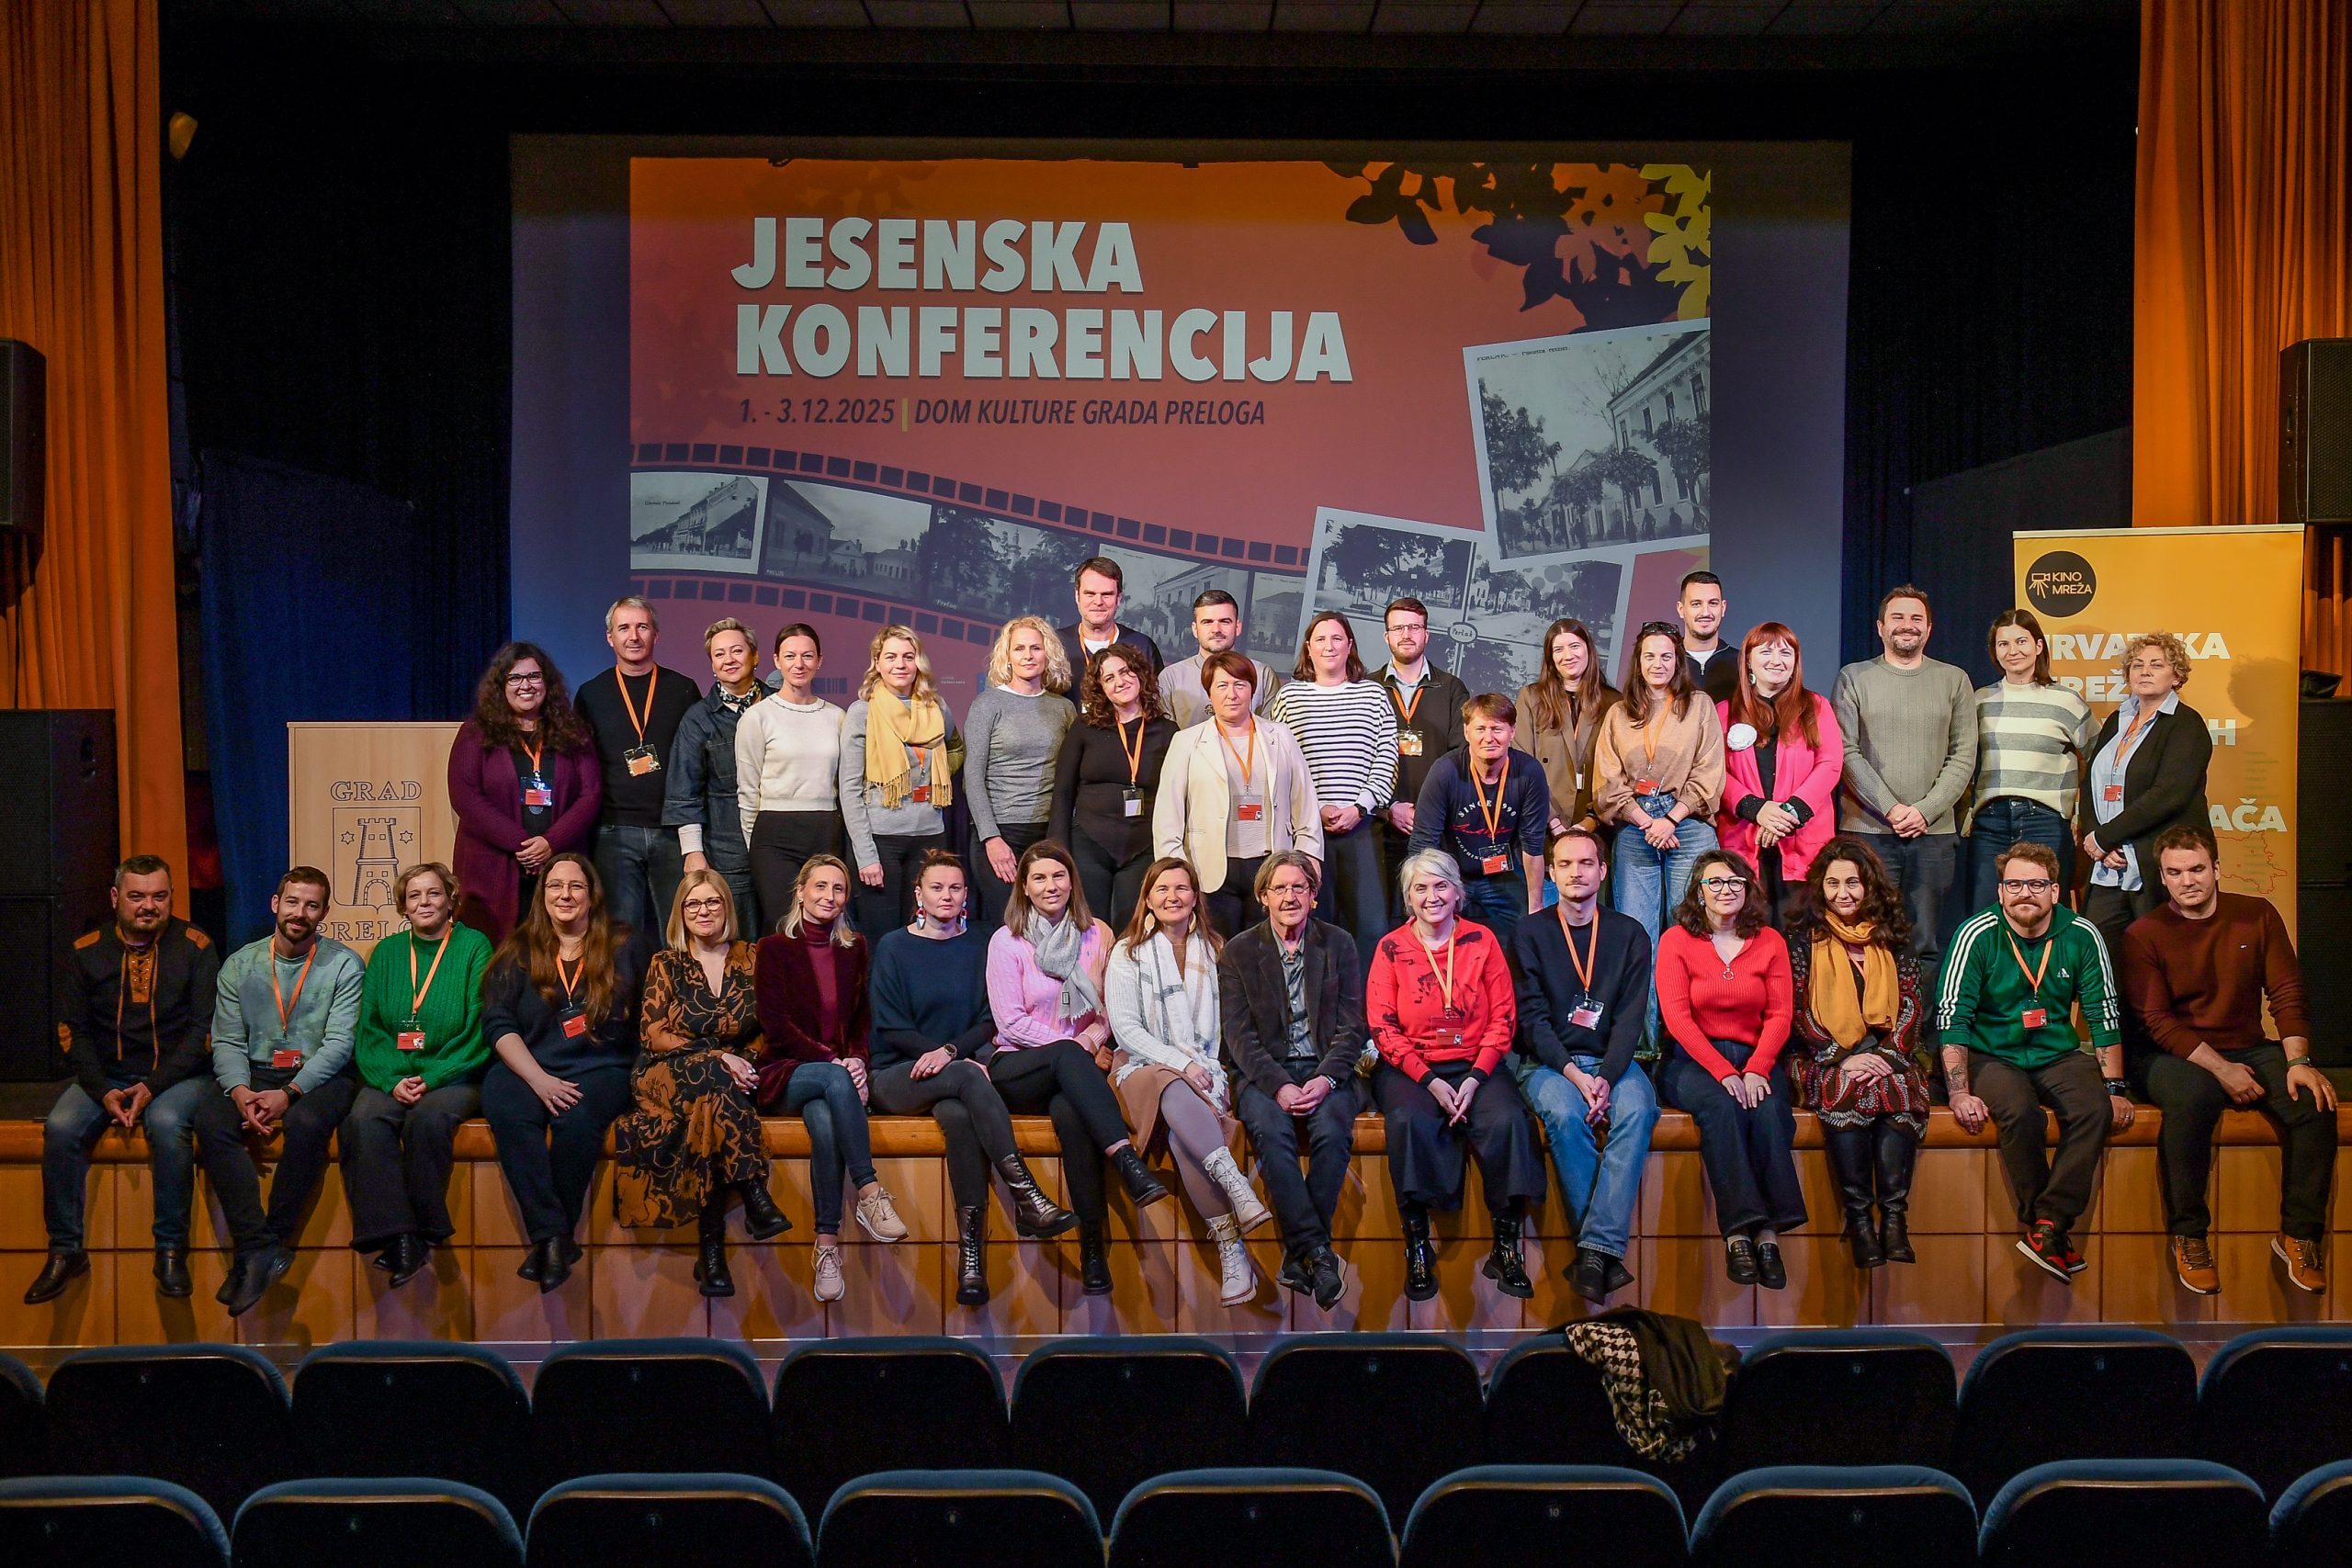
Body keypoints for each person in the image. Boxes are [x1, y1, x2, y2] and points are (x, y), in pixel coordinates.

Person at [2121, 829, 2335, 1296]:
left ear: (2217, 869)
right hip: (2170, 1053)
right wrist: (2223, 1071)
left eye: (2197, 869)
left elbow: (2286, 992)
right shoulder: (2143, 934)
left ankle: (2299, 1236)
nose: (2188, 881)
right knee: (2194, 1098)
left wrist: (2298, 1061)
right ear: (2163, 878)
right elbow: (2157, 1022)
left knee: (2314, 1102)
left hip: (2247, 1045)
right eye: (2175, 872)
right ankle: (2190, 1236)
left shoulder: (2256, 915)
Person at [869, 851, 1074, 1309]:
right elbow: (890, 1025)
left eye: (955, 888)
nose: (947, 895)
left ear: (966, 895)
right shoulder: (893, 947)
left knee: (960, 1120)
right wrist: (946, 1056)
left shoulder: (982, 944)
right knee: (964, 1077)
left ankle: (971, 1258)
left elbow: (988, 1020)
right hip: (898, 1073)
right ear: (919, 894)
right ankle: (1026, 1194)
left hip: (956, 1076)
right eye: (936, 887)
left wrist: (951, 1055)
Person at [26, 856, 219, 1306]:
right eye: (137, 896)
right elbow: (72, 1031)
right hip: (105, 1078)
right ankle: (65, 1250)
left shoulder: (196, 945)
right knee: (60, 1129)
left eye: (159, 896)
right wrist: (103, 1090)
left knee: (167, 1125)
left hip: (178, 1077)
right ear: (116, 898)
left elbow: (204, 1033)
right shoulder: (86, 949)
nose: (148, 905)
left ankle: (170, 1250)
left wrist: (152, 1087)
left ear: (171, 897)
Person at [986, 840, 1172, 1294]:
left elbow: (1111, 1008)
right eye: (1039, 878)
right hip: (1019, 1066)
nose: (1050, 885)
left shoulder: (1097, 934)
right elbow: (1010, 1021)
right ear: (1024, 887)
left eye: (1059, 875)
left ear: (1072, 882)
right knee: (1066, 1058)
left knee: (1073, 1118)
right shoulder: (1007, 941)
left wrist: (1088, 1041)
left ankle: (1093, 1248)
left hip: (1076, 1074)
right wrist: (1077, 1047)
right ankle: (1126, 1160)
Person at [1938, 840, 2129, 1282]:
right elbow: (1952, 1017)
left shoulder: (2082, 933)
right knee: (2021, 1113)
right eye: (2015, 884)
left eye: (2037, 884)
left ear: (2055, 891)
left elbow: (2104, 1014)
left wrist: (2115, 1089)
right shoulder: (1976, 934)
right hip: (1992, 1053)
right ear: (2000, 891)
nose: (2025, 893)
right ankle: (2046, 1226)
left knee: (2094, 1109)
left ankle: (2049, 1224)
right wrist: (1959, 1092)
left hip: (2057, 1052)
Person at [1367, 848, 1545, 1304]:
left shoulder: (1482, 940)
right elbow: (1383, 1028)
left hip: (1476, 1065)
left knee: (1509, 1121)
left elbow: (1504, 1017)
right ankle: (1416, 1245)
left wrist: (1475, 1077)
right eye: (1421, 888)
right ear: (1408, 897)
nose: (1432, 896)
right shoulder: (1390, 948)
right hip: (1412, 1068)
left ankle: (1506, 1247)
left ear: (1458, 892)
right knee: (1408, 1122)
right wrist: (1429, 1080)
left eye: (1441, 885)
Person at [194, 867, 367, 1316]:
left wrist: (290, 1093)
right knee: (210, 1121)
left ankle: (268, 1242)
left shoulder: (345, 964)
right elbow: (228, 1041)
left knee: (307, 1124)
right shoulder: (241, 964)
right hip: (254, 1073)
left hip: (318, 1076)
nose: (299, 913)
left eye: (311, 905)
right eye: (292, 902)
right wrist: (239, 1092)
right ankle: (257, 1248)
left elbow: (339, 1045)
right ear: (276, 904)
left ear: (324, 913)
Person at [480, 852, 655, 1293]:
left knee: (576, 1120)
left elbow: (647, 1018)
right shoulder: (518, 949)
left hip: (600, 1067)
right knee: (506, 1107)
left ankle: (550, 1239)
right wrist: (538, 1080)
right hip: (529, 1065)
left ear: (592, 895)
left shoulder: (626, 944)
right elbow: (498, 1024)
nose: (565, 895)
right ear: (542, 895)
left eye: (575, 886)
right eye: (555, 886)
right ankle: (553, 1236)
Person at [610, 870, 790, 1300]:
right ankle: (753, 1191)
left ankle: (711, 1254)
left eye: (712, 902)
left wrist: (746, 1062)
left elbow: (771, 1025)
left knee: (710, 1107)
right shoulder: (666, 962)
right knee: (713, 1082)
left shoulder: (753, 957)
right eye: (693, 903)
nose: (703, 911)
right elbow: (653, 1033)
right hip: (666, 1071)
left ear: (727, 906)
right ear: (681, 913)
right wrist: (718, 1057)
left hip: (730, 1076)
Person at [1105, 857, 1270, 1305]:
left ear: (1196, 897)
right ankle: (1236, 1185)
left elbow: (1232, 1022)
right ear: (1147, 899)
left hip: (1205, 1065)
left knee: (1184, 1139)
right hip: (1139, 1066)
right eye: (1161, 889)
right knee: (1171, 1082)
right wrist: (1181, 1062)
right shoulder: (1127, 952)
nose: (1172, 897)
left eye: (1181, 888)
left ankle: (1231, 1248)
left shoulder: (1217, 949)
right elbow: (1126, 1029)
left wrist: (1200, 1066)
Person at [1510, 828, 1657, 1304]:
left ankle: (1593, 1253)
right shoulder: (1529, 933)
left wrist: (1606, 1078)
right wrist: (1576, 1076)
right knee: (1564, 1114)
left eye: (1586, 863)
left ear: (1603, 871)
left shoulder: (1629, 933)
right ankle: (1603, 1250)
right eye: (1566, 864)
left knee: (1639, 1111)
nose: (1576, 872)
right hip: (1549, 1065)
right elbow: (1531, 1021)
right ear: (1551, 873)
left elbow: (1631, 1018)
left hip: (1614, 1063)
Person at [753, 855, 909, 1304]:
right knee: (833, 1082)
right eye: (820, 886)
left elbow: (860, 1019)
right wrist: (834, 1062)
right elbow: (776, 1025)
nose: (829, 896)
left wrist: (857, 1060)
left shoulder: (854, 947)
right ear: (801, 892)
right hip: (785, 1072)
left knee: (824, 1124)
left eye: (838, 889)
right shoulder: (773, 948)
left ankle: (826, 1245)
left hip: (834, 1078)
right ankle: (869, 1190)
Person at [1219, 852, 1366, 1311]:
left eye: (1298, 887)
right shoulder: (1239, 951)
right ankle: (1318, 1253)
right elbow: (1239, 1037)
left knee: (1333, 1131)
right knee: (1272, 1133)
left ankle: (1299, 1254)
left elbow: (1352, 1027)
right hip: (1265, 1073)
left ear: (1313, 896)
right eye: (1279, 888)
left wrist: (1326, 1079)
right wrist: (1279, 1085)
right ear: (1263, 897)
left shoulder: (1339, 944)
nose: (1289, 897)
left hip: (1326, 1070)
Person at [1655, 850, 1804, 1290]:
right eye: (1715, 882)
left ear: (1748, 889)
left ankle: (1770, 1236)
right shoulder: (1676, 940)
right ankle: (1739, 1234)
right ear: (1699, 892)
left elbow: (1780, 1014)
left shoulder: (1770, 941)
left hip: (1756, 1057)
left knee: (1770, 1110)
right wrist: (1724, 1073)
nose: (1726, 890)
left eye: (1735, 882)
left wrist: (1756, 1068)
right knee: (1722, 1108)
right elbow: (1678, 1019)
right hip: (1692, 1060)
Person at [340, 863, 492, 1289]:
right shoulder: (386, 952)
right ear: (403, 907)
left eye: (433, 893)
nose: (424, 902)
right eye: (414, 896)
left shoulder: (473, 946)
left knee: (428, 1118)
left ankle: (425, 1230)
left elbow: (479, 1028)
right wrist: (391, 1079)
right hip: (393, 1074)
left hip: (454, 1074)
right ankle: (400, 1236)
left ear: (450, 899)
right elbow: (369, 1029)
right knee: (364, 1118)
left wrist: (434, 1076)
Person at [1785, 839, 1931, 1270]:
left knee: (1899, 1086)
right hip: (1822, 1054)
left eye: (1852, 882)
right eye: (1833, 883)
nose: (1843, 893)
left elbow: (1911, 1003)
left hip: (1887, 1052)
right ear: (1819, 887)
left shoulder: (1893, 936)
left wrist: (1889, 1055)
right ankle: (1860, 1221)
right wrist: (1839, 1055)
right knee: (1844, 1087)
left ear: (1869, 885)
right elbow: (1795, 1009)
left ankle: (1894, 1219)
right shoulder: (1802, 940)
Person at [1830, 585, 1975, 990]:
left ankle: (1915, 1028)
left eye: (1916, 619)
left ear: (1929, 629)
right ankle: (1868, 1026)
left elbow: (1964, 755)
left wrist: (1924, 811)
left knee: (1925, 942)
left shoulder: (1954, 680)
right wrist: (1891, 808)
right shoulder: (1853, 677)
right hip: (1868, 832)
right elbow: (1845, 751)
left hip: (1933, 834)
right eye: (1897, 617)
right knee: (1864, 935)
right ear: (1880, 627)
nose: (1906, 626)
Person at [1153, 649, 1324, 938]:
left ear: (1252, 691)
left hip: (1272, 867)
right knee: (1217, 951)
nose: (1231, 694)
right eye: (1222, 685)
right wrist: (1176, 875)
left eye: (1240, 685)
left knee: (1267, 951)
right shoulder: (1186, 741)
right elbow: (1167, 817)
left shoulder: (1280, 736)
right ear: (1209, 692)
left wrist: (1309, 856)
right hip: (1209, 871)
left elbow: (1304, 803)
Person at [1267, 611, 1397, 971]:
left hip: (1362, 828)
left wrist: (1359, 806)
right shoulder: (1290, 697)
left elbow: (1387, 756)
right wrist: (1316, 809)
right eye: (1320, 639)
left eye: (1337, 638)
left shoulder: (1373, 695)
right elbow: (1279, 764)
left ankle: (1365, 1004)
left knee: (1371, 927)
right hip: (1308, 832)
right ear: (1308, 648)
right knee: (1310, 926)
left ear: (1350, 645)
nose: (1329, 646)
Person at [1594, 621, 1725, 976]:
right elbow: (1608, 781)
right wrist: (1646, 822)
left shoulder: (1699, 706)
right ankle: (1645, 1016)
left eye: (1666, 656)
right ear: (1638, 661)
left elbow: (1709, 773)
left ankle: (1686, 1014)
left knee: (1691, 932)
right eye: (1650, 656)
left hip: (1688, 826)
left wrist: (1669, 820)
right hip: (1636, 826)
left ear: (1678, 661)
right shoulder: (1618, 713)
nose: (1658, 664)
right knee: (1638, 938)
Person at [448, 642, 601, 942]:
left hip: (559, 864)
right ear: (501, 685)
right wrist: (524, 845)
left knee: (558, 949)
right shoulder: (475, 732)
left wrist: (550, 842)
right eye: (515, 678)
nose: (526, 685)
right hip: (493, 868)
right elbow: (465, 796)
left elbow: (591, 793)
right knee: (495, 955)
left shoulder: (573, 730)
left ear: (547, 682)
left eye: (534, 676)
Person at [575, 596, 704, 933]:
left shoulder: (683, 689)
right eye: (624, 628)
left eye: (642, 627)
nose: (633, 636)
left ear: (656, 635)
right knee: (621, 936)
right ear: (610, 637)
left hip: (672, 829)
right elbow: (581, 768)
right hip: (614, 830)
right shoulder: (591, 694)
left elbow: (699, 763)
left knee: (679, 931)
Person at [2081, 631, 2213, 953]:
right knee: (2099, 955)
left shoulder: (2186, 724)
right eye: (2137, 665)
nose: (2145, 671)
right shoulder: (2117, 720)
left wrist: (2105, 837)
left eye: (2156, 665)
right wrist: (2096, 838)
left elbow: (2169, 794)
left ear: (2176, 676)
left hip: (2156, 863)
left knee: (2163, 956)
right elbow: (2091, 783)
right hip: (2110, 865)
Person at [840, 624, 964, 937]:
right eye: (891, 657)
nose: (900, 664)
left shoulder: (938, 708)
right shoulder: (862, 712)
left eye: (908, 656)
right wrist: (865, 856)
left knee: (926, 934)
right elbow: (850, 789)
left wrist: (935, 777)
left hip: (930, 835)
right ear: (877, 662)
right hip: (881, 839)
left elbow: (957, 749)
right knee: (882, 937)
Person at [1967, 609, 2096, 909]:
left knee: (2046, 914)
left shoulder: (2066, 701)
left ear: (2038, 646)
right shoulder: (1980, 700)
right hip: (1990, 822)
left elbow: (2100, 762)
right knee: (1986, 915)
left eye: (2021, 641)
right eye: (2003, 644)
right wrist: (1966, 813)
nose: (2013, 651)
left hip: (2045, 821)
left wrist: (2081, 817)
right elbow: (1963, 761)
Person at [1717, 622, 1843, 923]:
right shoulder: (1724, 711)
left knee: (1798, 934)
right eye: (1766, 652)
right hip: (1744, 840)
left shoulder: (1817, 707)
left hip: (1801, 840)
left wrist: (1786, 814)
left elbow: (1830, 764)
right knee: (1749, 934)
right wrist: (1757, 810)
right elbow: (1714, 773)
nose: (1777, 660)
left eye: (1786, 653)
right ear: (1748, 660)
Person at [1048, 645, 1177, 932]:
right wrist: (1058, 851)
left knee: (1131, 930)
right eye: (1109, 678)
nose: (1120, 682)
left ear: (1140, 674)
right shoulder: (1085, 728)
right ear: (1101, 688)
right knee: (1090, 929)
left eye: (1125, 672)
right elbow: (1063, 793)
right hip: (1089, 845)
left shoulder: (1168, 732)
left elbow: (1178, 798)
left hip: (1143, 847)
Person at [1408, 693, 1551, 951]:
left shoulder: (1529, 773)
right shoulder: (1445, 771)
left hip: (1504, 875)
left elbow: (1533, 846)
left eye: (1497, 729)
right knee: (1443, 944)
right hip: (1453, 877)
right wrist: (1421, 903)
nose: (1489, 737)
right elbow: (1423, 844)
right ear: (1466, 732)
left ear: (1512, 732)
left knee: (1525, 941)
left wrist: (1535, 907)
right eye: (1480, 729)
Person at [964, 615, 1078, 936]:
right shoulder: (988, 704)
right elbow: (973, 777)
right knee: (1012, 930)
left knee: (1051, 930)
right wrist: (991, 838)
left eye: (1036, 648)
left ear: (1047, 653)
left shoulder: (1063, 709)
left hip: (1048, 834)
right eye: (1019, 648)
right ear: (1007, 655)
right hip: (1001, 834)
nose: (1028, 655)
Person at [736, 623, 844, 931]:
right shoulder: (757, 717)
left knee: (824, 925)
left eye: (807, 656)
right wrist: (755, 845)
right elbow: (748, 790)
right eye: (790, 656)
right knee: (784, 928)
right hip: (774, 836)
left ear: (819, 661)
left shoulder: (837, 716)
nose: (799, 664)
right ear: (776, 660)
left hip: (825, 829)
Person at [663, 617, 764, 935]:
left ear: (755, 656)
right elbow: (685, 791)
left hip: (781, 844)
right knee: (739, 938)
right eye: (719, 654)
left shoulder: (780, 705)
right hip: (727, 852)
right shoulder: (697, 719)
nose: (729, 660)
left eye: (737, 651)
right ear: (712, 665)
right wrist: (693, 852)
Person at [1374, 597, 1470, 919]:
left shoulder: (1452, 688)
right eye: (1398, 628)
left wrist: (1428, 811)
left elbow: (1461, 758)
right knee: (1382, 920)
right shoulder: (1366, 688)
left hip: (1437, 829)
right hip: (1378, 827)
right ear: (1386, 636)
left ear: (1426, 635)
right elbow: (1356, 761)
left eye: (1414, 627)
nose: (1406, 634)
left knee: (1431, 918)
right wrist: (1388, 809)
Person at [1518, 617, 1619, 840]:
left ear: (1588, 649)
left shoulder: (1614, 702)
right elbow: (1521, 765)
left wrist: (1591, 821)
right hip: (1541, 823)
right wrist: (1553, 822)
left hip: (1595, 826)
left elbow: (1620, 772)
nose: (1568, 655)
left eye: (1574, 646)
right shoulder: (1531, 698)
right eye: (1558, 650)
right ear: (1550, 657)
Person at [1160, 590, 1280, 728]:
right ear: (1195, 629)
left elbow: (1271, 734)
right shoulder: (1170, 678)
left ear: (1238, 627)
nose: (1216, 629)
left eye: (1225, 621)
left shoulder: (1263, 675)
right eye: (1207, 622)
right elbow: (1164, 737)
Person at [1057, 555, 1165, 676]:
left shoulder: (1143, 647)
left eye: (1106, 595)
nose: (1098, 602)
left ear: (1118, 598)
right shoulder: (1055, 643)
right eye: (1090, 594)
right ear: (1077, 596)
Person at [1676, 570, 1740, 703]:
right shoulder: (1666, 663)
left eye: (1713, 603)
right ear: (1681, 609)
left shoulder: (1742, 662)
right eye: (1696, 604)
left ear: (1723, 608)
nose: (1705, 612)